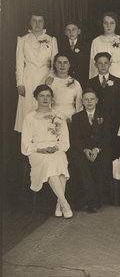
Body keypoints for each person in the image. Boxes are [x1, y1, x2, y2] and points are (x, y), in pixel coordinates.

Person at [21, 85, 72, 218]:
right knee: (49, 162)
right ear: (36, 97)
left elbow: (65, 141)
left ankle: (59, 204)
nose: (45, 98)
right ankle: (65, 204)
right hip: (37, 152)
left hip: (55, 149)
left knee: (61, 158)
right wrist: (40, 149)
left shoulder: (59, 116)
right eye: (42, 96)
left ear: (51, 98)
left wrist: (55, 148)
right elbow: (26, 143)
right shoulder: (29, 117)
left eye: (48, 96)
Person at [70, 88, 112, 213]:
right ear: (82, 101)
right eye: (86, 99)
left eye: (92, 99)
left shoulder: (104, 115)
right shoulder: (77, 117)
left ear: (97, 101)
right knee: (82, 166)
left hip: (101, 148)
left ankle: (96, 198)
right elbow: (75, 138)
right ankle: (92, 201)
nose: (89, 102)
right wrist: (85, 150)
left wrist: (97, 149)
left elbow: (107, 137)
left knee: (101, 164)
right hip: (83, 149)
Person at [15, 14, 58, 132]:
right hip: (28, 79)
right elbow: (19, 63)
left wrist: (51, 76)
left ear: (44, 23)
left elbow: (55, 62)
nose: (37, 24)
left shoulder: (51, 39)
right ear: (30, 22)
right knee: (28, 108)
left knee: (44, 107)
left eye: (40, 21)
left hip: (45, 79)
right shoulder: (23, 40)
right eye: (34, 21)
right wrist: (20, 83)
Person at [86, 52, 120, 159]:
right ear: (95, 65)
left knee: (114, 149)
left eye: (105, 63)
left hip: (114, 122)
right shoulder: (90, 82)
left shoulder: (118, 82)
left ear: (110, 64)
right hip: (97, 122)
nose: (103, 66)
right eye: (100, 63)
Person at [89, 12, 120, 85]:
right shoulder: (96, 41)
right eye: (105, 23)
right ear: (102, 24)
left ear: (116, 24)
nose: (108, 26)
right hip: (101, 73)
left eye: (112, 23)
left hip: (118, 72)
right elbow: (92, 64)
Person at [48, 53, 83, 123]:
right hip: (54, 114)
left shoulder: (75, 83)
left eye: (65, 62)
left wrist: (77, 120)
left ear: (69, 64)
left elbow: (79, 105)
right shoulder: (50, 82)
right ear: (55, 64)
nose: (62, 65)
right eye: (59, 62)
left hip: (71, 116)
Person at [57, 21, 90, 87]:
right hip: (66, 78)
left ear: (79, 31)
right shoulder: (61, 46)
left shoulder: (86, 45)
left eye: (73, 29)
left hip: (82, 79)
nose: (71, 32)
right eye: (68, 30)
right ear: (65, 33)